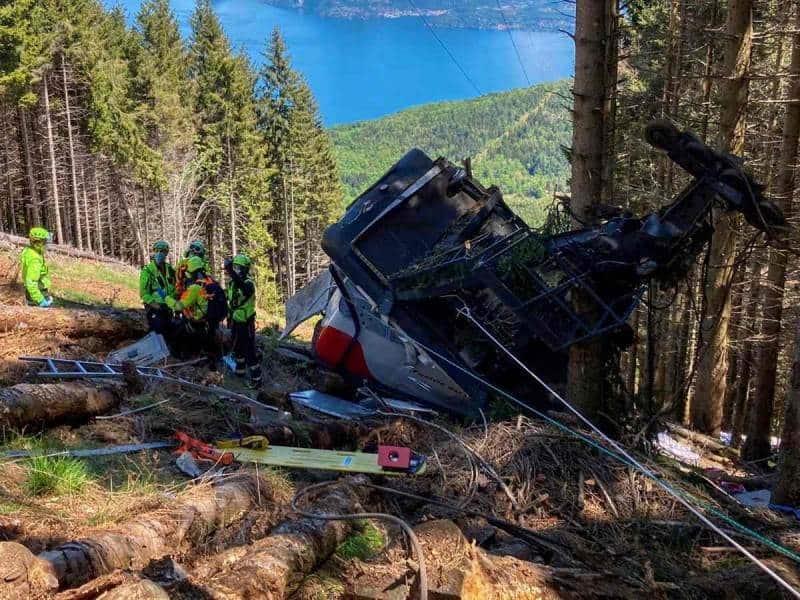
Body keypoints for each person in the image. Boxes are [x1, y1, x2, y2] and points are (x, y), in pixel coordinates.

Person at [167, 256, 225, 365]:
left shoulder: (195, 288)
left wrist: (166, 298)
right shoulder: (210, 282)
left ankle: (185, 357)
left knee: (177, 333)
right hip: (210, 322)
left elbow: (179, 306)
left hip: (198, 324)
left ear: (190, 272)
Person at [225, 254, 262, 387]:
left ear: (245, 269)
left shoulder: (248, 283)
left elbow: (245, 290)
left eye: (239, 267)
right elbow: (231, 302)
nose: (236, 270)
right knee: (237, 348)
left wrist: (231, 271)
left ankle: (256, 379)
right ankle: (240, 372)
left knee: (249, 350)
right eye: (235, 267)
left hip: (246, 322)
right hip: (235, 321)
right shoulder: (231, 283)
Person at [139, 240, 176, 335]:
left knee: (170, 334)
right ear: (154, 252)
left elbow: (175, 287)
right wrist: (155, 305)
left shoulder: (170, 269)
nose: (160, 253)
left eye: (163, 251)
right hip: (155, 308)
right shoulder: (148, 271)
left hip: (168, 307)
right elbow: (144, 293)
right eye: (157, 250)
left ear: (166, 253)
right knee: (157, 334)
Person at [20, 227, 52, 307]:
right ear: (38, 243)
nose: (47, 245)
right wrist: (40, 300)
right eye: (45, 242)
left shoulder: (31, 251)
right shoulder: (34, 260)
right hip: (37, 294)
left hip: (38, 292)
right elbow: (31, 282)